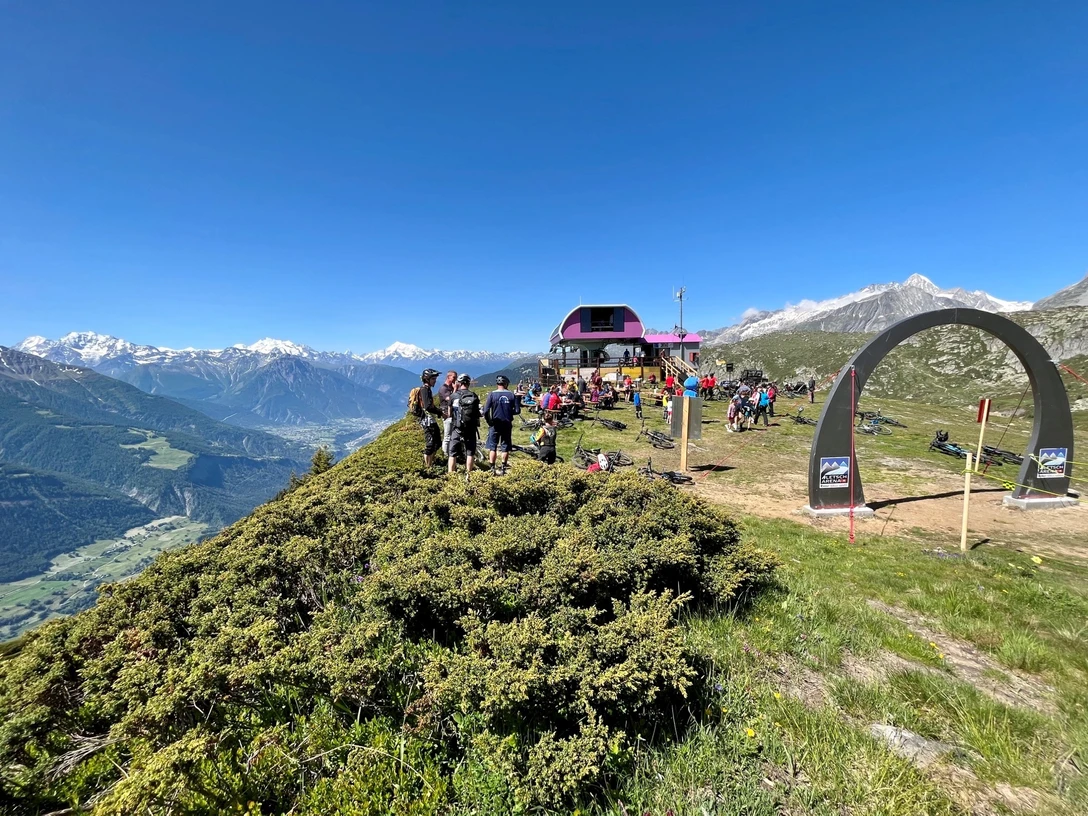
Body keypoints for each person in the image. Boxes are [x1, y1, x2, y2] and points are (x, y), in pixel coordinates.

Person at [483, 375, 521, 474]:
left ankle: (492, 468)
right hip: (507, 423)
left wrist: (489, 421)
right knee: (505, 446)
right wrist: (509, 412)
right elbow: (517, 411)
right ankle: (503, 467)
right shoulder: (511, 395)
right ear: (506, 384)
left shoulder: (492, 394)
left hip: (495, 423)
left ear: (497, 384)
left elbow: (486, 410)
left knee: (493, 446)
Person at [447, 375, 480, 476]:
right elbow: (477, 413)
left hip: (457, 428)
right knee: (470, 452)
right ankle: (468, 475)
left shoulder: (453, 396)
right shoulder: (473, 395)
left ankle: (451, 477)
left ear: (459, 383)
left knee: (452, 453)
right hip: (470, 428)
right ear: (468, 383)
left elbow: (449, 413)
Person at [416, 368, 443, 469]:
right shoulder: (424, 390)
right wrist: (439, 411)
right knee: (430, 444)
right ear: (427, 379)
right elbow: (428, 406)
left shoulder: (427, 389)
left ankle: (431, 464)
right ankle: (428, 467)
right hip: (427, 421)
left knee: (437, 443)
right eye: (433, 379)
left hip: (430, 420)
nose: (435, 380)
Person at [437, 370, 458, 457]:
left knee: (453, 435)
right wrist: (456, 389)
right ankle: (445, 455)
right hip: (447, 414)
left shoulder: (450, 388)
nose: (455, 379)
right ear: (448, 377)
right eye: (454, 377)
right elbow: (450, 399)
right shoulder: (443, 388)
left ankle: (452, 453)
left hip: (453, 414)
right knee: (447, 436)